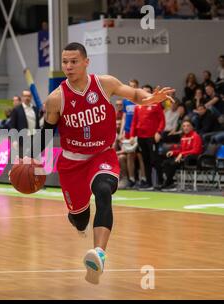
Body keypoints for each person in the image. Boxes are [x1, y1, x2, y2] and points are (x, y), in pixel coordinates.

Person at [41, 42, 174, 284]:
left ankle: (98, 255)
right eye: (65, 62)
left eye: (73, 61)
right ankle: (78, 219)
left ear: (86, 62)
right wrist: (31, 157)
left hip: (102, 155)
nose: (68, 66)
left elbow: (134, 95)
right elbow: (46, 131)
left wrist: (150, 98)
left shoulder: (105, 84)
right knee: (79, 218)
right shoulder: (56, 99)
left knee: (104, 191)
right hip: (72, 163)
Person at [161, 119, 203, 191]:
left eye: (188, 126)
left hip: (193, 159)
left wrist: (182, 154)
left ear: (192, 127)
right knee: (165, 163)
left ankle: (168, 183)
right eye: (184, 126)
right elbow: (181, 150)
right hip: (183, 158)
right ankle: (170, 182)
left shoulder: (196, 136)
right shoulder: (183, 137)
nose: (185, 128)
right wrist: (173, 152)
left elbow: (196, 150)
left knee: (173, 163)